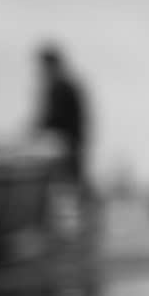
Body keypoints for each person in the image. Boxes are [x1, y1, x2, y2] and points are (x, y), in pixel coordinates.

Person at [32, 43, 91, 202]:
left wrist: (34, 133)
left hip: (66, 146)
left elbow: (50, 119)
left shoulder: (61, 87)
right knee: (74, 183)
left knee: (68, 185)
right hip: (71, 145)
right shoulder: (66, 85)